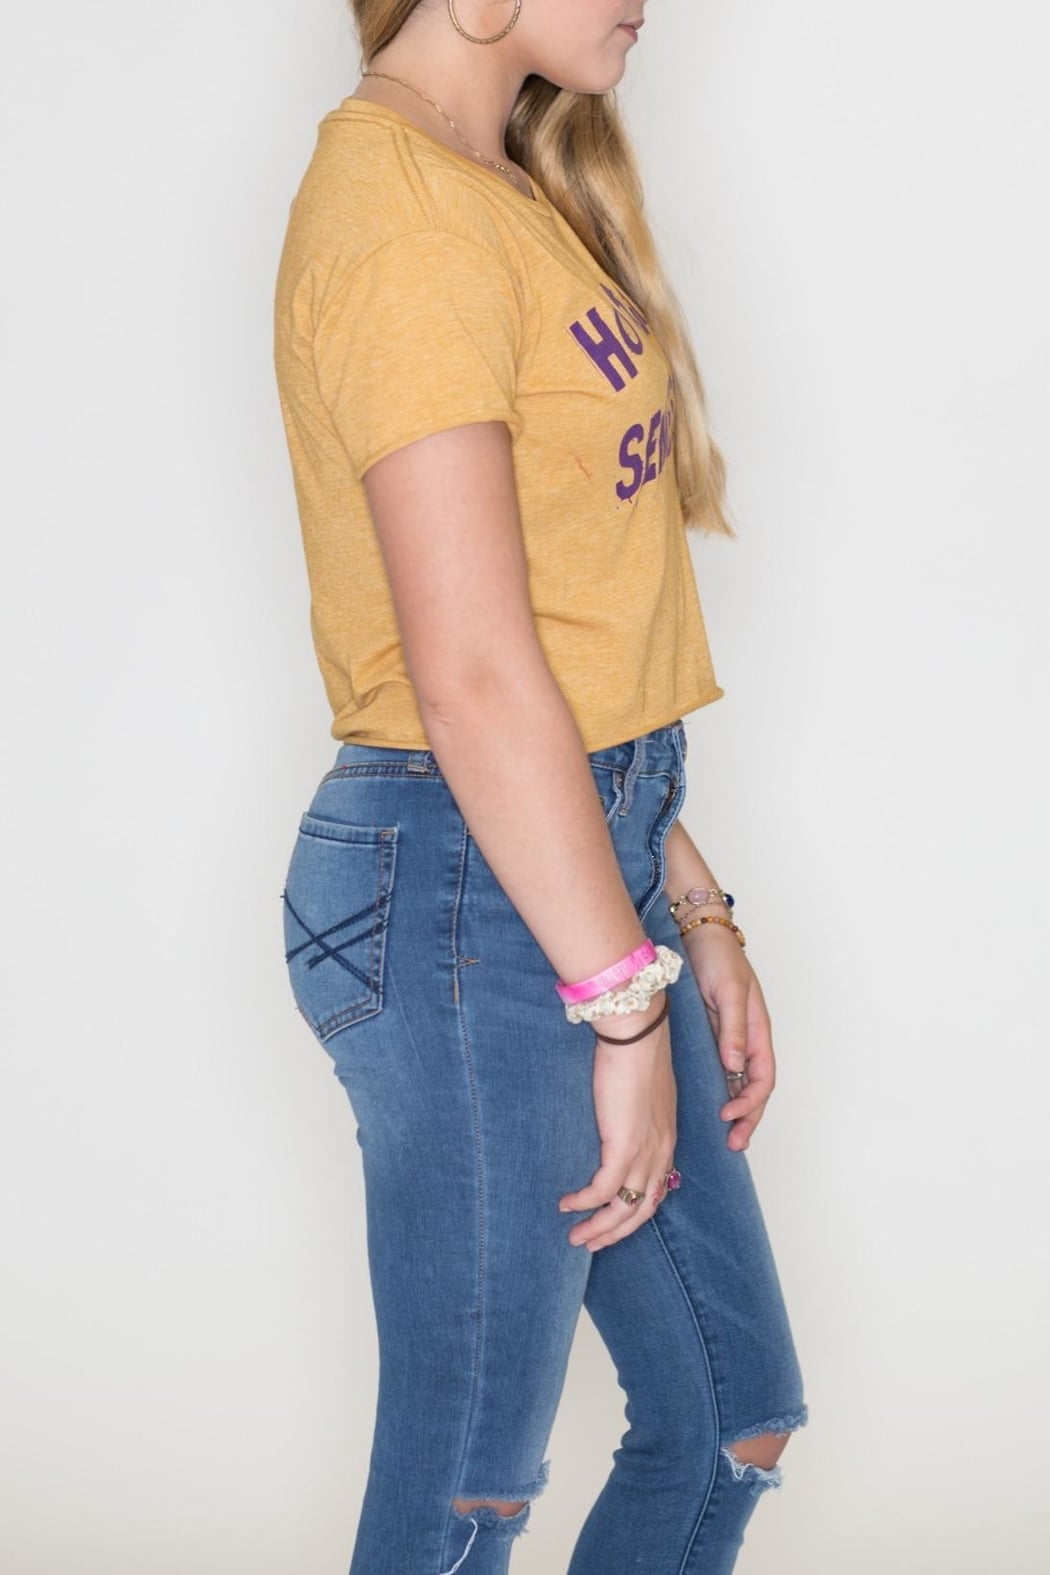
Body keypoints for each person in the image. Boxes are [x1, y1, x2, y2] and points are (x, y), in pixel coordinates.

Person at [272, 2, 809, 1570]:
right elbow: (471, 673)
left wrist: (688, 903)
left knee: (728, 1416)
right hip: (465, 903)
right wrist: (621, 1008)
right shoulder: (398, 213)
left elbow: (566, 644)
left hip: (573, 863)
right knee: (470, 1485)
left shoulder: (498, 182)